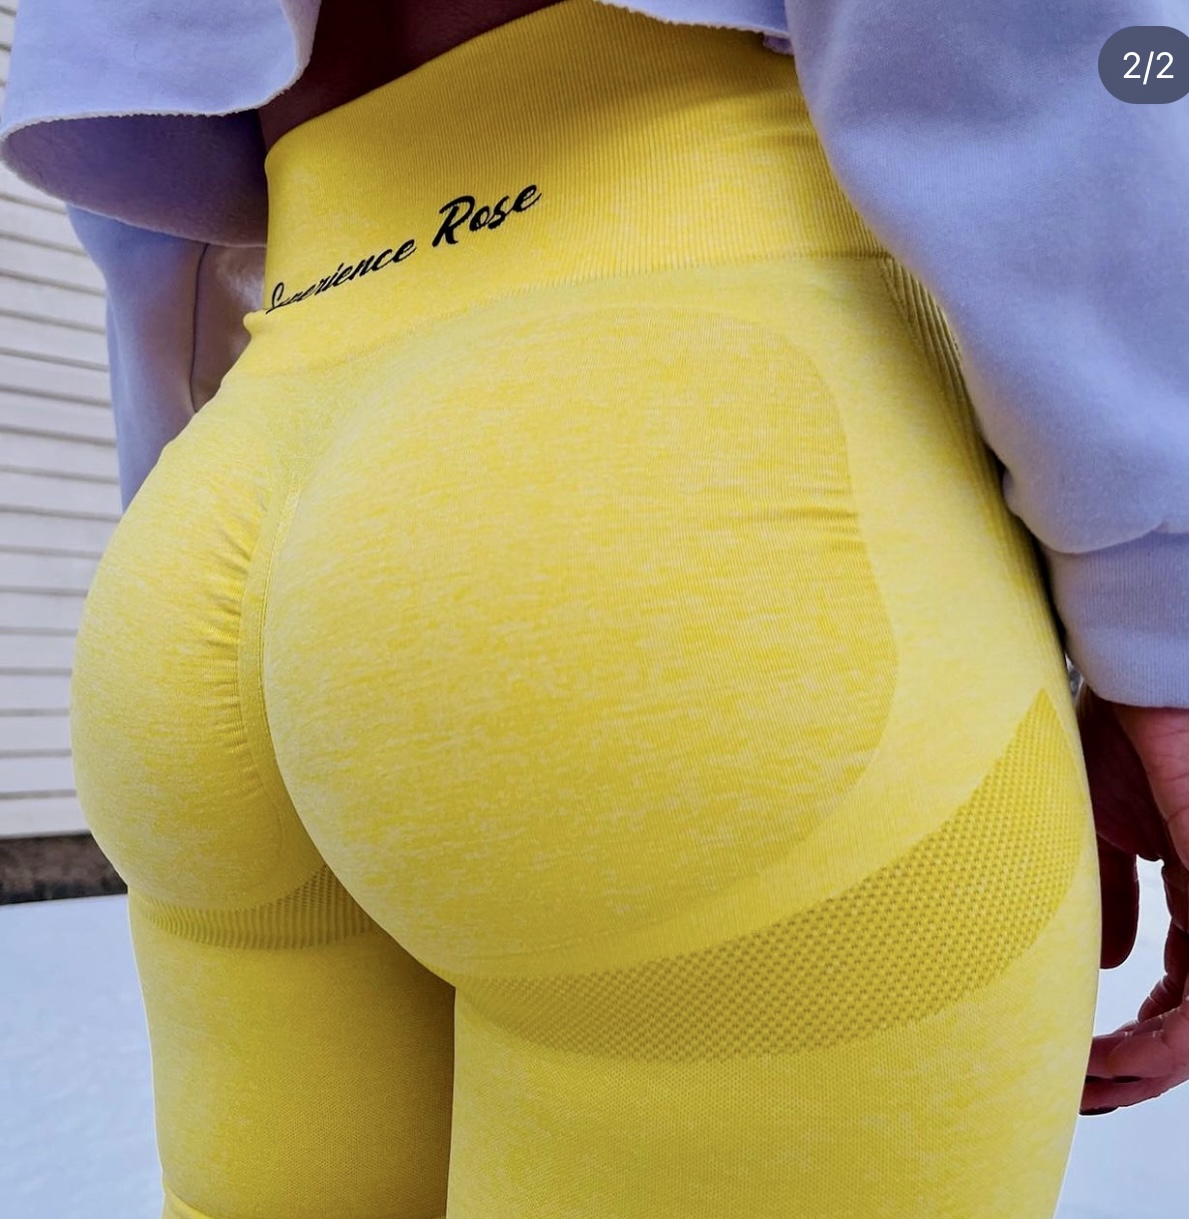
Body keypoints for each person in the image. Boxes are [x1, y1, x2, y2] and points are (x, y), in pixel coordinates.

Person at [2, 1, 1187, 1215]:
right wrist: (1162, 609)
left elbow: (146, 197)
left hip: (248, 454)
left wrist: (242, 561)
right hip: (680, 426)